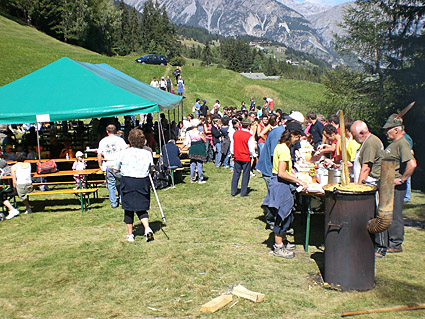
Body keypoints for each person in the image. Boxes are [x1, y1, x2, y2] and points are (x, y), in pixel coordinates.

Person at [262, 122, 307, 258]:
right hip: (281, 185)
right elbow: (281, 172)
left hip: (282, 183)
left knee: (288, 215)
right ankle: (278, 246)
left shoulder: (282, 146)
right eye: (298, 137)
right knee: (282, 216)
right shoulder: (284, 150)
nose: (298, 139)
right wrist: (299, 180)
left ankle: (283, 240)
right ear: (292, 134)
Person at [375, 114, 416, 257]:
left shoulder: (402, 143)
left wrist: (402, 180)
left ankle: (395, 243)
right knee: (386, 213)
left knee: (395, 215)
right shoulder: (393, 144)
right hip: (386, 185)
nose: (386, 133)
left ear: (397, 130)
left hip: (395, 187)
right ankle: (386, 241)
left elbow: (412, 164)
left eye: (388, 130)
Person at [114, 129, 154, 242]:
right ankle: (147, 228)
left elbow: (116, 168)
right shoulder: (147, 153)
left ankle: (130, 235)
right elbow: (151, 168)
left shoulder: (123, 152)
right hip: (142, 181)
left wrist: (117, 171)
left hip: (128, 181)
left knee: (128, 208)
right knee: (142, 207)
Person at [97, 124, 128, 208]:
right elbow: (126, 151)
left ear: (107, 131)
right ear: (115, 131)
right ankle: (122, 200)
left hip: (108, 164)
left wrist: (100, 165)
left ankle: (113, 203)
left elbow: (99, 154)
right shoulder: (120, 140)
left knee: (111, 184)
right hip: (119, 165)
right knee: (121, 183)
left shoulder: (103, 141)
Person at [350, 120, 384, 185]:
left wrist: (359, 188)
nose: (353, 139)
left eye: (354, 136)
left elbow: (366, 168)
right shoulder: (366, 142)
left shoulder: (370, 143)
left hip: (370, 182)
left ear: (362, 133)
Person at [231, 118, 257, 197]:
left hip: (237, 156)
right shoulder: (249, 136)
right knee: (246, 174)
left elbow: (232, 145)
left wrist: (232, 154)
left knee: (236, 173)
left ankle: (233, 190)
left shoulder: (236, 133)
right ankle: (243, 192)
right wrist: (254, 156)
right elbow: (251, 149)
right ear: (249, 126)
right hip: (245, 157)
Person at [9, 152, 33, 218]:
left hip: (21, 184)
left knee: (20, 196)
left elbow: (14, 179)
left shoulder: (14, 167)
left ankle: (28, 207)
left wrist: (14, 187)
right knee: (25, 193)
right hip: (29, 184)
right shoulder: (29, 164)